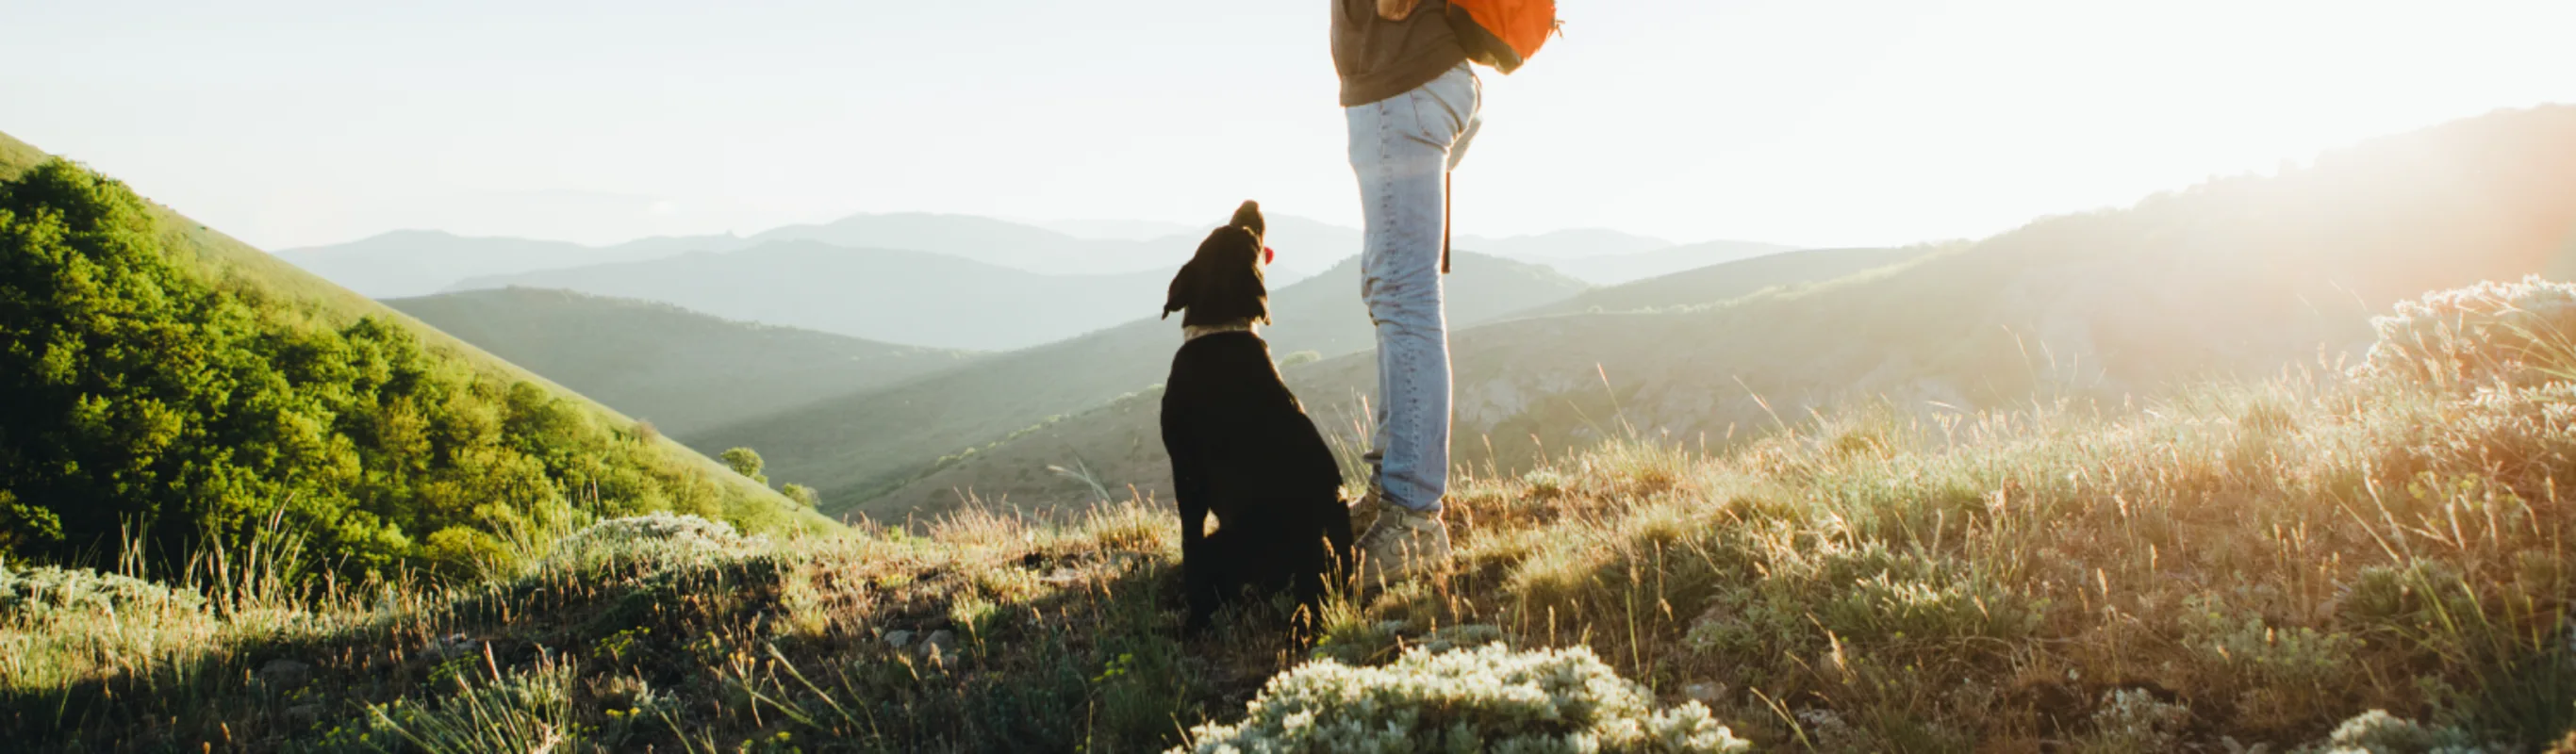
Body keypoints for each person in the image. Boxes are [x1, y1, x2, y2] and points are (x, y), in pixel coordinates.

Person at [1334, 0, 1481, 582]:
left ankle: (1414, 517)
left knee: (1404, 296)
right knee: (1391, 291)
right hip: (1416, 89)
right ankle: (1391, 490)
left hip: (1406, 89)